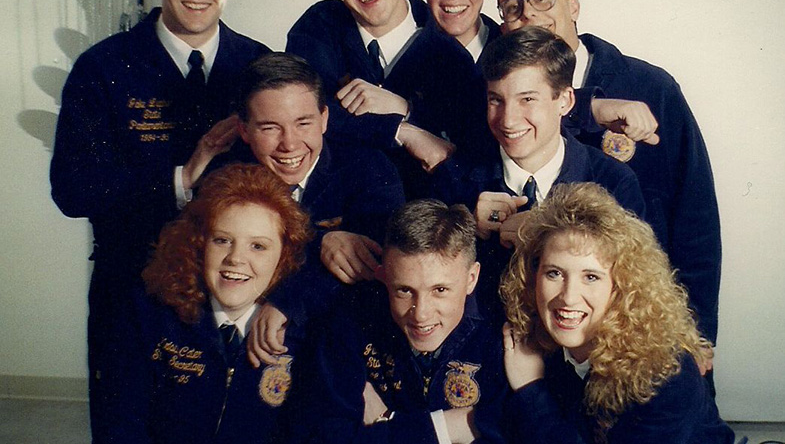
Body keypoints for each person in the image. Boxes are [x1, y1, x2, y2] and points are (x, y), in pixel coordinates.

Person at [49, 0, 270, 430]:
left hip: (235, 293)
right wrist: (178, 180)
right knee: (125, 424)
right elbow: (71, 189)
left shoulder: (258, 64)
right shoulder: (103, 67)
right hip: (131, 284)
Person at [495, 0, 722, 351]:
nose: (528, 12)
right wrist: (592, 107)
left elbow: (695, 213)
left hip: (640, 321)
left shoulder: (649, 86)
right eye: (512, 6)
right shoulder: (504, 98)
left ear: (574, 6)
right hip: (541, 325)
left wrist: (696, 330)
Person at [189, 53, 405, 366]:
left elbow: (374, 267)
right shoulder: (225, 176)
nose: (289, 144)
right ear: (244, 130)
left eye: (303, 123)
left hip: (341, 345)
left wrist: (290, 300)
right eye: (269, 128)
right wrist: (322, 242)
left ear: (325, 120)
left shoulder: (370, 169)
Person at [433, 26, 645, 322]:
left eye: (527, 99)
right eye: (496, 100)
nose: (508, 120)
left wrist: (549, 233)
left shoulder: (613, 182)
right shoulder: (453, 178)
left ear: (565, 101)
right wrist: (465, 225)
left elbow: (632, 293)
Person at [499, 182, 735, 444]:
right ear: (533, 277)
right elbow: (497, 422)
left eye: (591, 277)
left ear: (621, 286)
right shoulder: (537, 343)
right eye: (554, 273)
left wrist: (531, 390)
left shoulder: (664, 374)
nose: (568, 296)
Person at [93, 163, 312, 443]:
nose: (236, 258)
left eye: (258, 246)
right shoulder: (148, 314)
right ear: (199, 243)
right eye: (222, 240)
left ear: (284, 256)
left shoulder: (303, 333)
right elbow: (120, 423)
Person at [286, 0, 487, 197]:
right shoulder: (319, 26)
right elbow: (301, 115)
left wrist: (406, 108)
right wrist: (402, 130)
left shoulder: (451, 56)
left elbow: (454, 154)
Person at [301, 199, 507, 444]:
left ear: (471, 278)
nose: (420, 314)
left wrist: (387, 421)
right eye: (404, 291)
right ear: (385, 276)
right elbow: (326, 437)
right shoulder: (352, 320)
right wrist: (449, 427)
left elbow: (511, 431)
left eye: (440, 290)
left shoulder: (502, 331)